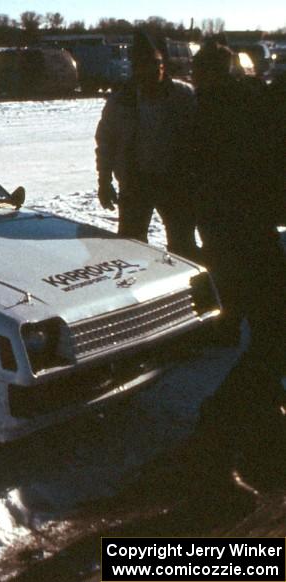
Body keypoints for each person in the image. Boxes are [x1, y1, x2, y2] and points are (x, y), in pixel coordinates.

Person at [190, 39, 286, 491]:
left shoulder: (231, 103)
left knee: (272, 335)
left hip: (239, 230)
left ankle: (263, 420)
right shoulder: (233, 107)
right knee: (273, 338)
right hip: (239, 232)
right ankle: (215, 450)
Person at [94, 30, 198, 259]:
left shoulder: (183, 96)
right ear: (135, 66)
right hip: (135, 183)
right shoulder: (121, 101)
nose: (154, 69)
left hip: (175, 182)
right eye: (146, 64)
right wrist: (104, 180)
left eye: (158, 63)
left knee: (183, 248)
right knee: (131, 248)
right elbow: (105, 143)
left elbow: (197, 139)